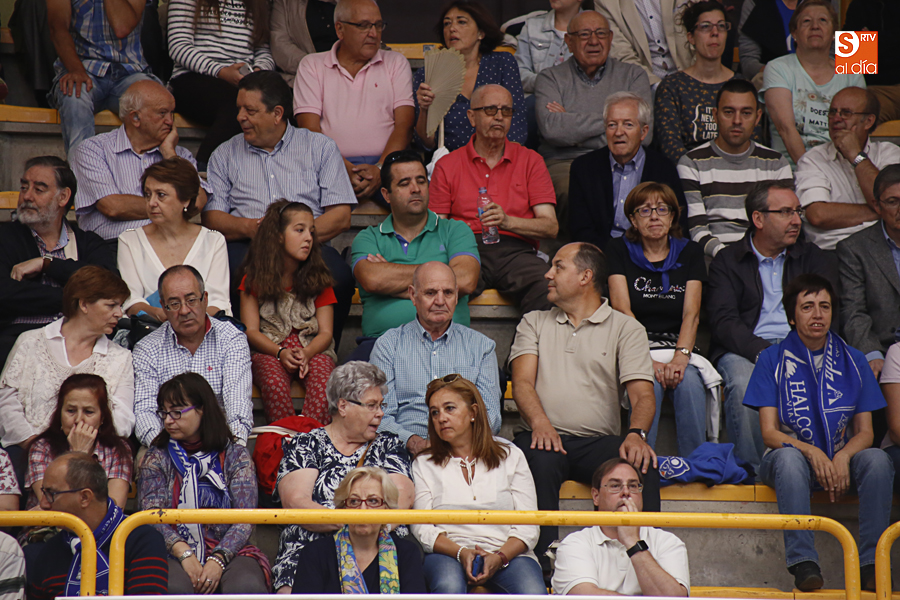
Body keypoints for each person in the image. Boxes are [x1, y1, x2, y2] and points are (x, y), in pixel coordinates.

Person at [510, 241, 659, 563]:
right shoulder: (533, 321)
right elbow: (521, 383)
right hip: (542, 436)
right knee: (539, 457)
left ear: (585, 276)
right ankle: (543, 560)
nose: (548, 274)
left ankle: (647, 555)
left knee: (640, 461)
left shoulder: (626, 328)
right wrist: (541, 423)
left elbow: (643, 395)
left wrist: (637, 434)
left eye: (558, 266)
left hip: (598, 442)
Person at [743, 274, 892, 592]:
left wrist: (843, 456)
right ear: (792, 316)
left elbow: (865, 433)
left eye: (824, 306)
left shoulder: (853, 359)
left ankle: (872, 564)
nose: (817, 314)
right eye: (807, 306)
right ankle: (804, 563)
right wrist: (811, 451)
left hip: (840, 460)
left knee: (878, 460)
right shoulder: (771, 358)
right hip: (788, 462)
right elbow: (769, 433)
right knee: (789, 459)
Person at [202, 71, 356, 345]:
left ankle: (322, 349)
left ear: (277, 113)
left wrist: (295, 236)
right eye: (239, 109)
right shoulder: (224, 154)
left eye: (250, 110)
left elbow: (341, 216)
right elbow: (212, 217)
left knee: (340, 276)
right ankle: (241, 351)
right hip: (248, 243)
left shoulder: (320, 147)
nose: (240, 117)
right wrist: (252, 228)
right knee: (229, 273)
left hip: (309, 243)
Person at [707, 181, 837, 472]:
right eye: (786, 212)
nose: (796, 220)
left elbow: (829, 311)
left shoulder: (814, 257)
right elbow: (724, 321)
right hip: (745, 348)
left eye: (797, 212)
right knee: (744, 383)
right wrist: (765, 353)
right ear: (758, 218)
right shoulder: (728, 261)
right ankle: (754, 473)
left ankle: (815, 468)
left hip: (805, 344)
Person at [273, 361, 414, 593]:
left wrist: (364, 531)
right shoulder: (307, 444)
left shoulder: (389, 445)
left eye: (381, 405)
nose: (380, 413)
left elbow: (402, 498)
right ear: (343, 406)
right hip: (310, 552)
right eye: (372, 405)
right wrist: (357, 524)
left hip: (378, 552)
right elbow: (296, 502)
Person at [0, 266, 133, 489]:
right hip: (28, 452)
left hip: (94, 457)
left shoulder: (120, 357)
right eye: (111, 305)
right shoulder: (30, 342)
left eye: (120, 306)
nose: (120, 313)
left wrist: (83, 447)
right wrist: (37, 447)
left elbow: (123, 420)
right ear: (84, 304)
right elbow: (6, 403)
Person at [430, 84, 558, 315]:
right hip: (464, 247)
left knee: (547, 287)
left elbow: (550, 226)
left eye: (506, 111)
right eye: (490, 110)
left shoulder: (531, 160)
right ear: (472, 117)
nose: (499, 117)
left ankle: (527, 341)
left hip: (516, 250)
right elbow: (436, 226)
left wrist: (507, 222)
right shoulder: (448, 164)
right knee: (444, 286)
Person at [412, 375, 546, 595]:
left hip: (508, 555)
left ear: (473, 412)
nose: (441, 418)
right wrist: (462, 553)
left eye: (449, 408)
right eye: (435, 412)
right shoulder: (424, 463)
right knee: (449, 585)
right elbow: (422, 527)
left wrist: (499, 557)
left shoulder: (510, 455)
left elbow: (529, 524)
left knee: (532, 591)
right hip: (448, 554)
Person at [138, 373, 270, 594]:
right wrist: (183, 552)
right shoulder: (156, 456)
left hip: (231, 551)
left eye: (177, 412)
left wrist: (218, 558)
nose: (168, 420)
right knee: (172, 588)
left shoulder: (235, 456)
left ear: (203, 410)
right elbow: (151, 516)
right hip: (171, 551)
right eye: (164, 412)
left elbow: (245, 518)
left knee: (246, 585)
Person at [607, 183, 708, 458]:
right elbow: (622, 310)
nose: (654, 216)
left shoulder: (690, 252)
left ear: (673, 217)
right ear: (633, 220)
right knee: (647, 383)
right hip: (633, 346)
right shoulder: (618, 249)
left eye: (662, 209)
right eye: (645, 210)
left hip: (677, 346)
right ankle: (641, 466)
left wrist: (680, 358)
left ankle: (696, 466)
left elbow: (691, 314)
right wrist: (644, 359)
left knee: (689, 382)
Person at [350, 150, 480, 362]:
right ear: (386, 194)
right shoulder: (368, 238)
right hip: (380, 344)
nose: (416, 188)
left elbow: (465, 280)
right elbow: (372, 279)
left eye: (421, 181)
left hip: (449, 342)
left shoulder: (455, 231)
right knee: (349, 379)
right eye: (404, 183)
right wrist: (441, 278)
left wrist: (394, 278)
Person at [372, 261, 501, 456]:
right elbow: (379, 415)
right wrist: (413, 442)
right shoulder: (388, 346)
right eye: (430, 293)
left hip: (465, 451)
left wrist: (457, 445)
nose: (440, 301)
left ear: (456, 296)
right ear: (413, 295)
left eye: (448, 293)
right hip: (404, 452)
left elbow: (491, 416)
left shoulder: (481, 346)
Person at [534, 10, 652, 224]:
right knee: (573, 189)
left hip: (622, 159)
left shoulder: (634, 76)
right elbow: (553, 130)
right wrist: (618, 124)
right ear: (569, 41)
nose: (594, 41)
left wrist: (572, 124)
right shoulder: (550, 78)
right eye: (584, 34)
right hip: (566, 161)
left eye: (601, 33)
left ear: (611, 38)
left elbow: (645, 133)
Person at [0, 157, 116, 366]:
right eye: (24, 187)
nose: (27, 196)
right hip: (18, 342)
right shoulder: (4, 238)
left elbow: (108, 285)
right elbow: (5, 293)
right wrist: (75, 299)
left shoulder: (88, 242)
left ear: (63, 197)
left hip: (83, 341)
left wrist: (48, 264)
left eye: (39, 189)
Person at [294, 0, 414, 203]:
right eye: (363, 26)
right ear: (340, 29)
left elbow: (405, 125)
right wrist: (341, 168)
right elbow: (310, 130)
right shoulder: (312, 65)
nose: (373, 33)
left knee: (413, 204)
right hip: (329, 164)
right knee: (317, 211)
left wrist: (380, 168)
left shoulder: (396, 62)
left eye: (378, 25)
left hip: (388, 163)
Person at [70, 80, 211, 246]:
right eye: (162, 113)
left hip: (169, 245)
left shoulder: (179, 155)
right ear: (135, 118)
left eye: (171, 113)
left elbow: (198, 201)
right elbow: (113, 207)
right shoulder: (93, 149)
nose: (170, 121)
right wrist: (175, 206)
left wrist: (170, 155)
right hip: (113, 245)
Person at [132, 265, 253, 447]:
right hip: (166, 444)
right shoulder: (147, 349)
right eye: (174, 304)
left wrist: (231, 449)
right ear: (163, 307)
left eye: (191, 300)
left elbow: (238, 405)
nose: (184, 310)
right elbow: (145, 412)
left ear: (205, 299)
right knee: (147, 461)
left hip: (221, 442)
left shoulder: (231, 339)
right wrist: (168, 451)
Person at [240, 201, 337, 425]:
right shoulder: (254, 278)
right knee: (273, 383)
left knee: (325, 381)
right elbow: (251, 331)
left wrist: (308, 353)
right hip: (269, 349)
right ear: (279, 236)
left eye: (311, 231)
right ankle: (284, 440)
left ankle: (311, 440)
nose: (308, 238)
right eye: (300, 230)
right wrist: (280, 352)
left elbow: (326, 333)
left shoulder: (320, 278)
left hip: (312, 348)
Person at [24, 452, 169, 598]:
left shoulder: (142, 540)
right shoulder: (50, 550)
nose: (43, 504)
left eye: (51, 493)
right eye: (44, 492)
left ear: (85, 497)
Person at [678, 79, 793, 258]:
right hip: (715, 259)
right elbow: (697, 230)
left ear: (758, 117)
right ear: (715, 115)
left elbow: (786, 222)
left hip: (766, 258)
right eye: (728, 112)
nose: (737, 121)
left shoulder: (776, 163)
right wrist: (731, 259)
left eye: (746, 113)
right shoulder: (692, 162)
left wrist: (757, 258)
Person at [552, 458, 690, 596]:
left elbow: (675, 599)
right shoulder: (575, 543)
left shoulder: (667, 542)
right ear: (596, 496)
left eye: (633, 486)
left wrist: (633, 543)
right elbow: (584, 597)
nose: (626, 492)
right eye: (615, 486)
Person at [569, 92, 685, 251]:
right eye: (612, 125)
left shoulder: (664, 168)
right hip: (600, 253)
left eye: (628, 124)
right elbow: (580, 228)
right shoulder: (583, 168)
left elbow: (676, 223)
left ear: (643, 132)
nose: (618, 132)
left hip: (650, 251)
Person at [118, 157, 230, 321]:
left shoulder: (213, 241)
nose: (152, 203)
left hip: (205, 329)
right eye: (148, 195)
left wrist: (187, 323)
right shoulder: (130, 240)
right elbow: (131, 301)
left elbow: (219, 302)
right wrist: (164, 316)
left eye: (161, 195)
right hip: (151, 329)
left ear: (186, 200)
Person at [167, 0, 273, 166]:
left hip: (245, 80)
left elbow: (263, 49)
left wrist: (258, 72)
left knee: (277, 103)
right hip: (193, 76)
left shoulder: (259, 3)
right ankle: (202, 169)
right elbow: (178, 45)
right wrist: (221, 71)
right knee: (238, 105)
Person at [760, 0, 865, 166]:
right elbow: (786, 129)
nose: (815, 26)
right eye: (806, 21)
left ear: (834, 33)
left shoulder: (852, 73)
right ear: (794, 33)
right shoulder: (777, 68)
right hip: (793, 170)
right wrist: (811, 173)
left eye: (823, 20)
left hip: (842, 168)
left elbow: (857, 130)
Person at [413, 0, 527, 153]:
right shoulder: (429, 73)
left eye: (461, 22)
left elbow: (517, 126)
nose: (452, 28)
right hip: (451, 161)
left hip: (498, 157)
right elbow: (426, 143)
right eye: (447, 24)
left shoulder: (502, 63)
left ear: (481, 33)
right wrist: (425, 109)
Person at [292, 467, 427, 594]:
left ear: (387, 508)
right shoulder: (315, 554)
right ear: (343, 507)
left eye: (373, 501)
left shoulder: (407, 554)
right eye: (354, 501)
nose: (363, 510)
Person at [796, 87, 900, 251]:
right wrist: (883, 212)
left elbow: (889, 198)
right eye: (832, 112)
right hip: (831, 252)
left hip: (885, 251)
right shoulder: (813, 159)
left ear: (868, 121)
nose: (836, 119)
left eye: (846, 113)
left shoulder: (890, 153)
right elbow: (818, 215)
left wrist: (856, 156)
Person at [47, 0, 156, 153]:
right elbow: (57, 27)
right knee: (73, 95)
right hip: (83, 68)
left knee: (154, 101)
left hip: (130, 71)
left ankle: (149, 167)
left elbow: (121, 27)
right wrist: (76, 69)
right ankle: (84, 167)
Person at [26, 374, 132, 510]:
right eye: (71, 411)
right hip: (50, 523)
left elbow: (112, 509)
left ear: (102, 418)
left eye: (88, 412)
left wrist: (80, 456)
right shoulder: (42, 448)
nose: (78, 419)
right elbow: (51, 505)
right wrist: (78, 453)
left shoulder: (117, 450)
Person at [654, 1, 740, 164]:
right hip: (687, 173)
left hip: (735, 171)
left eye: (721, 26)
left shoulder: (740, 86)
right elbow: (670, 148)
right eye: (706, 26)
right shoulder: (672, 87)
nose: (715, 33)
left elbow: (752, 142)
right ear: (691, 37)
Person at [838, 165, 900, 380]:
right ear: (877, 205)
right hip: (883, 348)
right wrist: (871, 353)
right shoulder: (855, 249)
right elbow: (853, 310)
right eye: (892, 201)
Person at [595, 0, 692, 87]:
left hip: (690, 71)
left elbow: (697, 35)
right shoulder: (605, 2)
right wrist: (655, 86)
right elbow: (621, 53)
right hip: (644, 81)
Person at [843, 0, 900, 126]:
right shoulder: (859, 6)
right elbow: (852, 60)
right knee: (855, 122)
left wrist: (872, 42)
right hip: (874, 90)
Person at [515, 0, 581, 94]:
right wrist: (545, 81)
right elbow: (518, 73)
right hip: (536, 96)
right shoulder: (532, 26)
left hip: (575, 97)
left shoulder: (594, 29)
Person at [270, 0, 338, 87]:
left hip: (345, 75)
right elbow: (280, 45)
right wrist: (315, 68)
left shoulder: (349, 5)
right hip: (301, 78)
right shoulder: (285, 3)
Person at [738, 0, 796, 84]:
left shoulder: (813, 4)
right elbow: (748, 63)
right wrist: (777, 73)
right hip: (769, 82)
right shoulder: (755, 3)